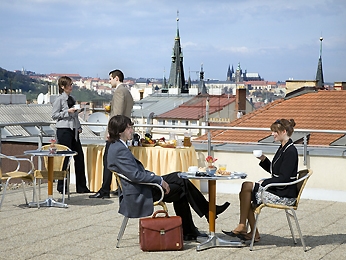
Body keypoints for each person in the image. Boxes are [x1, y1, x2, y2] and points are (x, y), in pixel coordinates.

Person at [106, 115, 230, 240]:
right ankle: (201, 218)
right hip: (141, 192)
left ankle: (198, 221)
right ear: (120, 131)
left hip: (142, 186)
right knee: (181, 190)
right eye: (129, 128)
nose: (131, 130)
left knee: (180, 176)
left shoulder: (117, 146)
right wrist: (158, 180)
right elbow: (135, 176)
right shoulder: (119, 149)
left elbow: (135, 173)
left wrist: (156, 178)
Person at [222, 119, 298, 243]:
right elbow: (276, 171)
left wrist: (265, 182)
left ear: (284, 132)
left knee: (246, 188)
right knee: (245, 190)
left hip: (284, 194)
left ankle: (244, 226)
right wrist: (263, 159)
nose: (272, 134)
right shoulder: (283, 147)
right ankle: (251, 231)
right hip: (279, 189)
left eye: (275, 132)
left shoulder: (290, 151)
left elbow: (284, 178)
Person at [89, 69, 134, 199]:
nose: (109, 81)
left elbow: (118, 114)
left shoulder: (120, 91)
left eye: (110, 78)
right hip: (124, 132)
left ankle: (105, 190)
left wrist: (110, 131)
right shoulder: (127, 91)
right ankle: (120, 188)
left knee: (108, 161)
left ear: (116, 78)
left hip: (116, 132)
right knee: (120, 161)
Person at [52, 76, 90, 193]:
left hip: (73, 130)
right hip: (64, 130)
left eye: (71, 84)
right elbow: (54, 115)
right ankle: (62, 186)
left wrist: (78, 127)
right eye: (69, 85)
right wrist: (67, 112)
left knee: (79, 157)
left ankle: (81, 187)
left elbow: (75, 116)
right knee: (65, 158)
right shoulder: (59, 99)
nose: (71, 87)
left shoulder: (72, 98)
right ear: (63, 87)